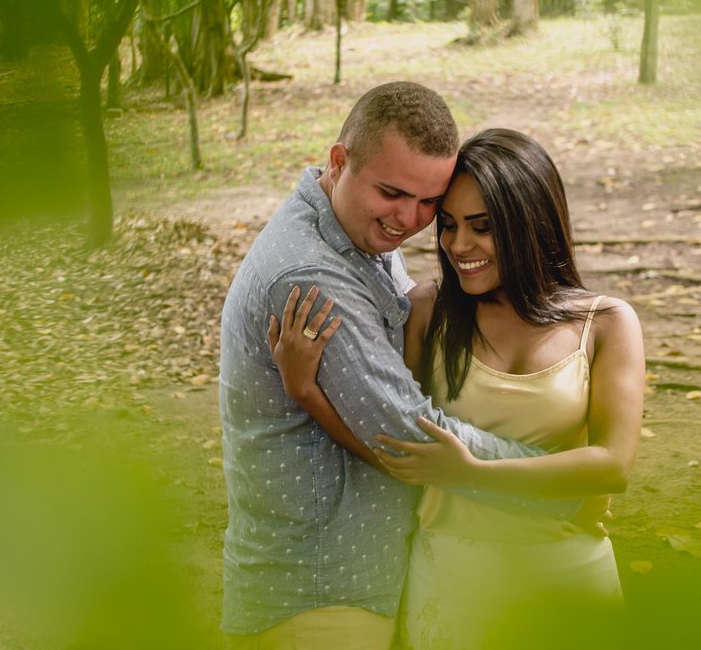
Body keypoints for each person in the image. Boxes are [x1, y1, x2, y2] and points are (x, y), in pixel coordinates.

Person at [219, 83, 584, 650]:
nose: (408, 220)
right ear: (339, 161)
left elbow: (410, 322)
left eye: (427, 202)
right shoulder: (312, 277)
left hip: (356, 580)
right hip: (320, 591)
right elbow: (405, 435)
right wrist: (561, 483)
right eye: (392, 193)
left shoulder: (356, 230)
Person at [270, 128, 644, 649]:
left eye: (482, 227)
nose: (458, 245)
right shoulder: (426, 311)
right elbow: (393, 446)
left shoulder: (606, 323)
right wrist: (305, 391)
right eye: (448, 225)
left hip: (568, 576)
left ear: (530, 223)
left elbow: (612, 466)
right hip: (451, 579)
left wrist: (473, 472)